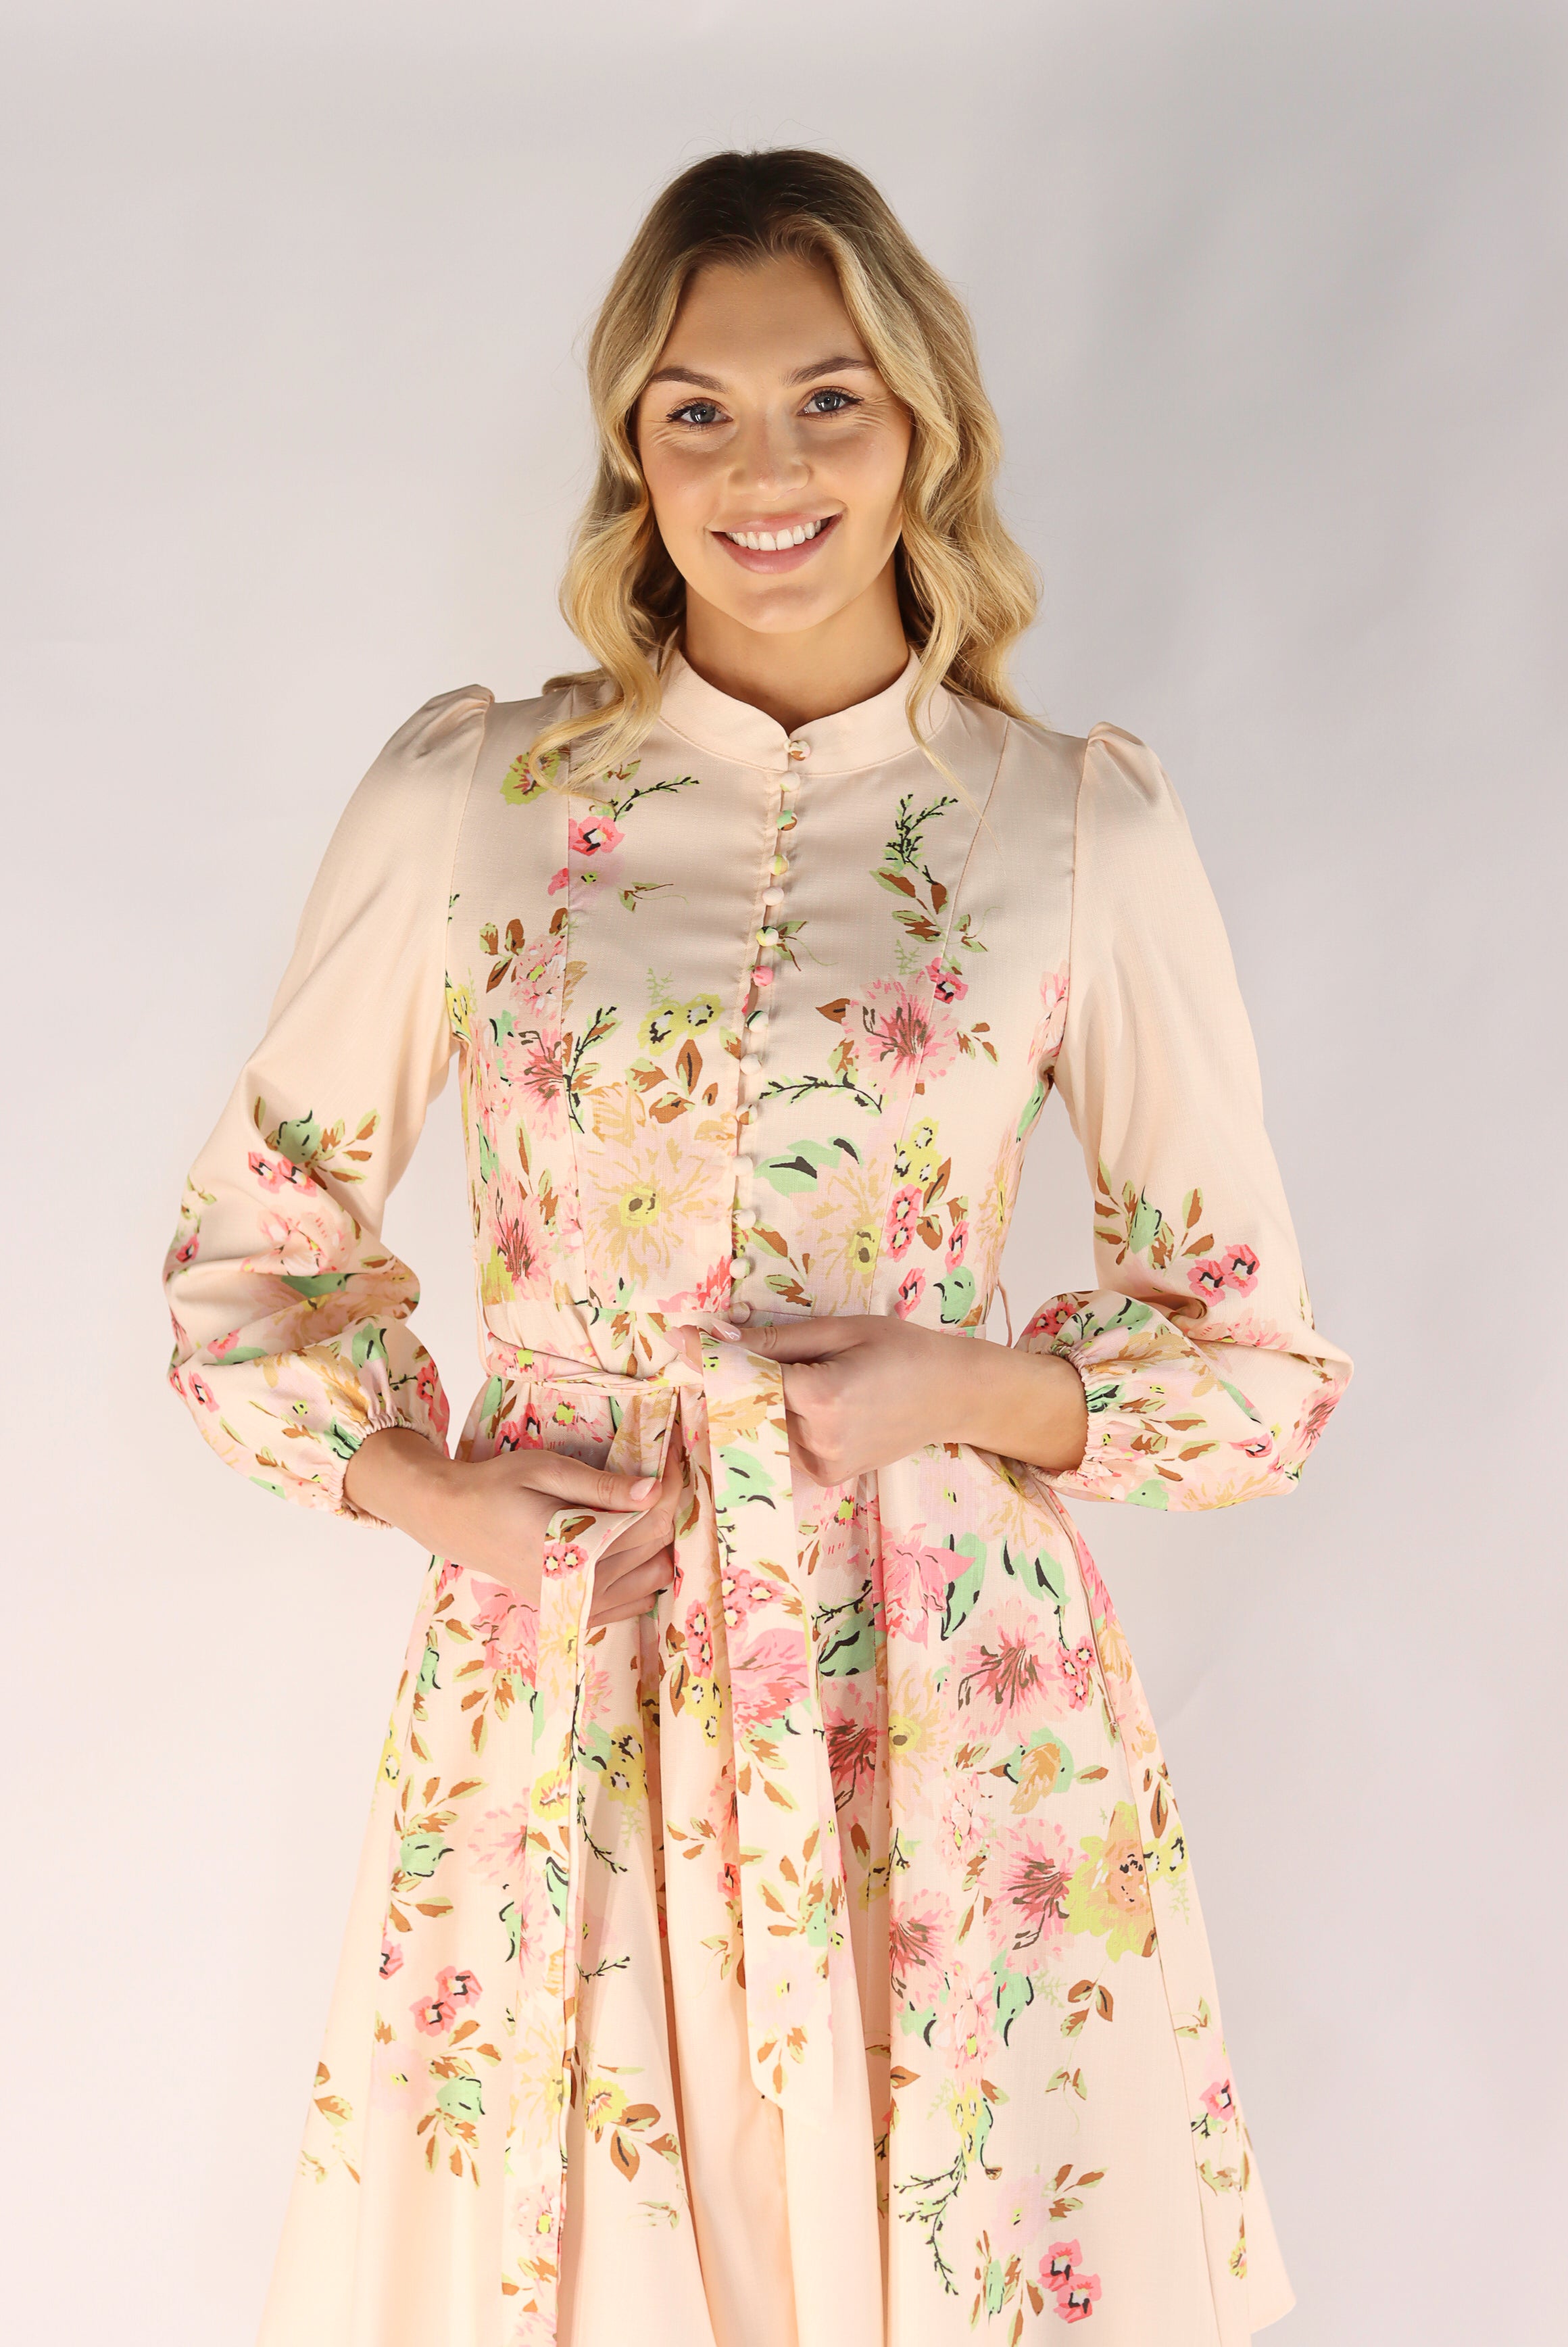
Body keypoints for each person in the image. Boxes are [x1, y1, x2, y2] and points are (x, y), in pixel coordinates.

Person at [164, 148, 1350, 2347]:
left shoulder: (1071, 825)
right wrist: (438, 1498)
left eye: (831, 399)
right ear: (631, 443)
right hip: (572, 1665)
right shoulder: (471, 801)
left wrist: (954, 1389)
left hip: (941, 1687)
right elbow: (255, 1254)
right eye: (697, 407)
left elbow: (1252, 1359)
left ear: (926, 431)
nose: (765, 467)